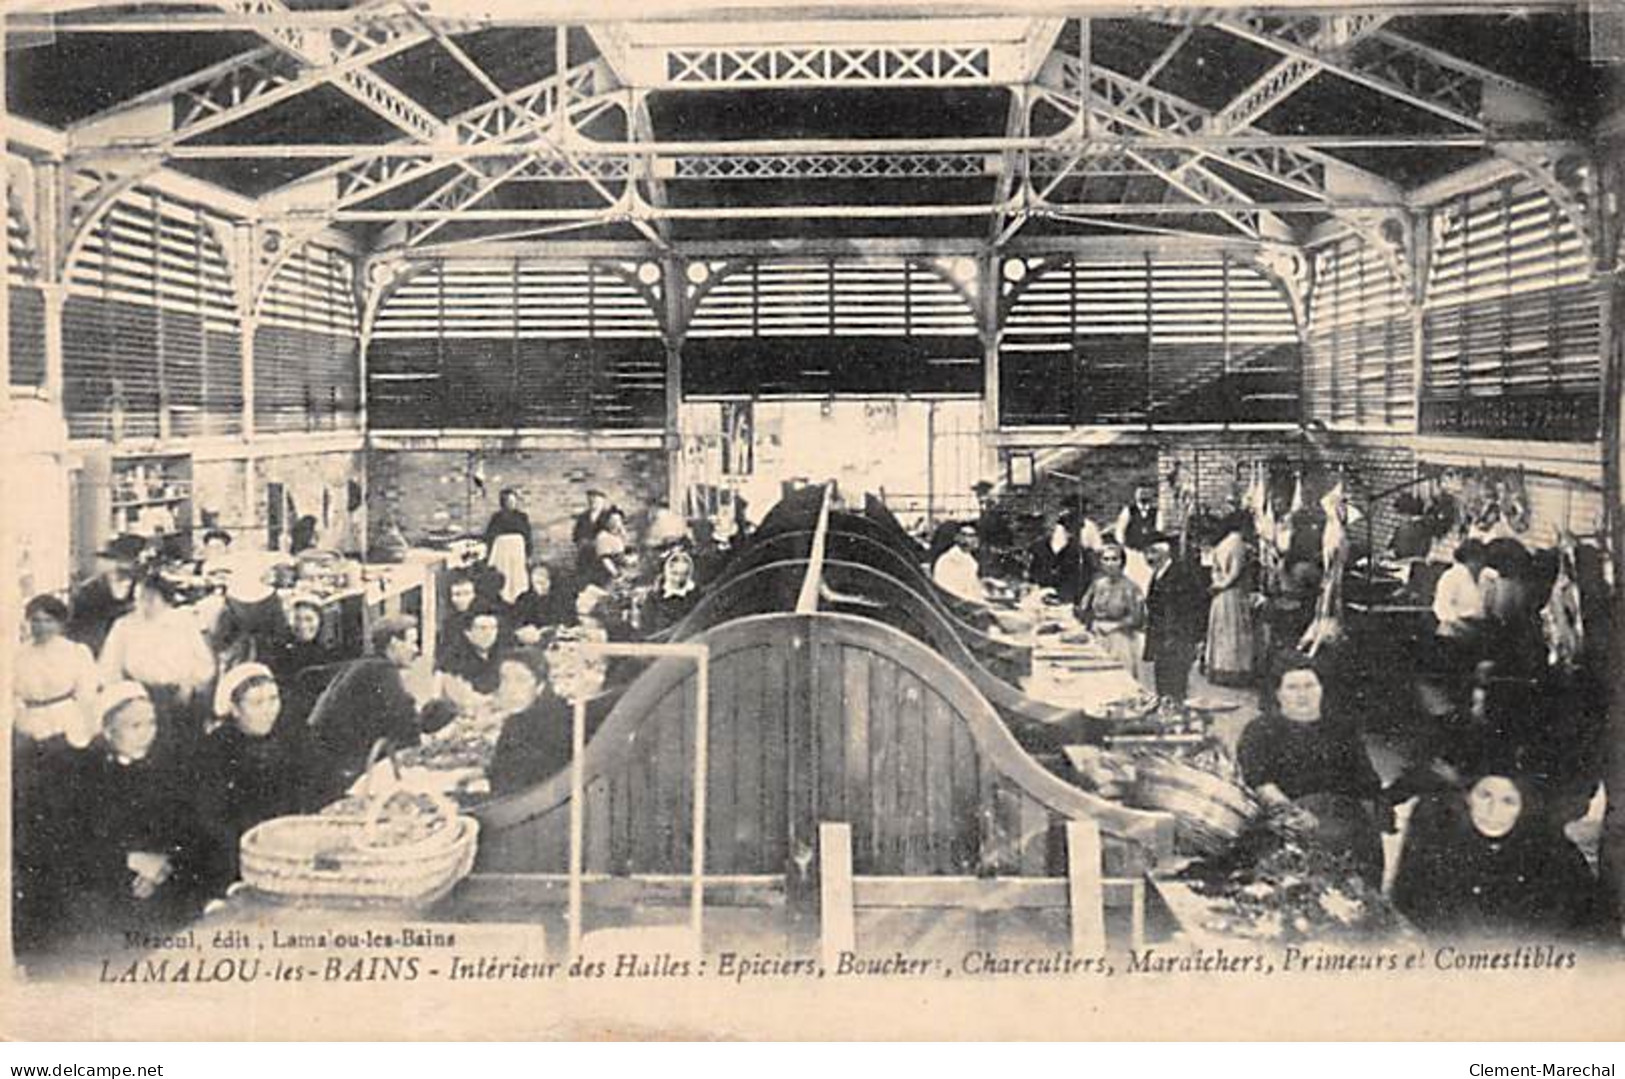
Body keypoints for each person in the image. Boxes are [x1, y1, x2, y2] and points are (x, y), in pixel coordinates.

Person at [60, 683, 204, 942]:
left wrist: (162, 866)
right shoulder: (86, 778)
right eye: (135, 726)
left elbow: (187, 828)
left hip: (165, 877)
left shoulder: (166, 769)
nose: (146, 734)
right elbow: (77, 847)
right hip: (109, 883)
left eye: (151, 724)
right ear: (108, 731)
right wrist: (132, 861)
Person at [1391, 772, 1609, 940]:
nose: (1493, 811)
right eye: (1485, 796)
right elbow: (1412, 902)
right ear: (1467, 797)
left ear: (1525, 806)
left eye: (1508, 801)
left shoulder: (1557, 859)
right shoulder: (1438, 851)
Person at [1237, 655, 1384, 884]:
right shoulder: (1261, 730)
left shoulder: (1342, 728)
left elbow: (1366, 782)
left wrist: (1370, 817)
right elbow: (1260, 782)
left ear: (1321, 689)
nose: (1302, 694)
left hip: (1342, 819)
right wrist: (1293, 814)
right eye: (1292, 687)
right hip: (1287, 818)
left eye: (1309, 685)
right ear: (1278, 694)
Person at [304, 616, 458, 805]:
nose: (416, 650)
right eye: (412, 642)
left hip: (328, 761)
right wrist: (439, 715)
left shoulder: (367, 664)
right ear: (394, 643)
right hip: (343, 772)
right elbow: (406, 726)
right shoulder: (382, 671)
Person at [189, 663, 306, 898]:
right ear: (234, 709)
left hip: (291, 854)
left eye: (273, 699)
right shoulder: (213, 750)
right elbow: (213, 823)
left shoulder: (292, 738)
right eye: (256, 703)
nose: (269, 710)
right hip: (238, 863)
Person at [98, 573, 217, 760]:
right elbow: (108, 668)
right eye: (140, 598)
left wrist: (191, 683)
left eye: (151, 598)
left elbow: (205, 663)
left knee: (185, 753)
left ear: (166, 599)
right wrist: (126, 698)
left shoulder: (184, 622)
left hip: (180, 697)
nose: (145, 604)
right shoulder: (125, 626)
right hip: (140, 697)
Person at [487, 650, 583, 796]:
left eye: (521, 680)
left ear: (540, 685)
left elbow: (511, 790)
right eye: (504, 679)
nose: (510, 689)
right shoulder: (529, 716)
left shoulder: (547, 726)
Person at [14, 594, 101, 753]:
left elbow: (87, 696)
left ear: (60, 624)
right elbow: (11, 694)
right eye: (36, 620)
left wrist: (89, 728)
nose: (41, 627)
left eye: (48, 621)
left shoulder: (75, 652)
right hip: (29, 725)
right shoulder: (18, 655)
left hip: (66, 723)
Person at [1142, 536, 1207, 702]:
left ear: (1166, 553)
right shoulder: (1157, 574)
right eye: (1146, 552)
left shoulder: (1182, 574)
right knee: (1162, 686)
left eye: (1153, 552)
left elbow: (1195, 608)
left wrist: (1194, 639)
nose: (1149, 557)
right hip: (1161, 640)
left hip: (1177, 640)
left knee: (1176, 687)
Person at [1075, 542, 1145, 676]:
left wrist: (1114, 626)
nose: (1110, 563)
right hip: (1097, 635)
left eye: (1114, 559)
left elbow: (1137, 618)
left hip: (1120, 638)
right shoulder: (1097, 584)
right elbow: (1085, 607)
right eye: (1106, 559)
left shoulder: (1131, 587)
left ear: (1122, 562)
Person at [1204, 510, 1257, 687]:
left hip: (1220, 595)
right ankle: (1234, 671)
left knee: (1221, 632)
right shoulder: (1238, 543)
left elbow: (1214, 571)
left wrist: (1217, 585)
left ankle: (1219, 669)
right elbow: (1235, 572)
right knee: (1234, 631)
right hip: (1233, 593)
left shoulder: (1221, 544)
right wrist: (1225, 584)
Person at [67, 534, 144, 654]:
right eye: (117, 560)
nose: (121, 565)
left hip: (132, 644)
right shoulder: (90, 589)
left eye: (129, 561)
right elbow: (79, 627)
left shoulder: (142, 586)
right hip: (98, 643)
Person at [1432, 538, 1498, 650]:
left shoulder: (1487, 578)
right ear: (1467, 559)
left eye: (1482, 558)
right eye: (1476, 558)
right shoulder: (1452, 576)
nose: (1480, 562)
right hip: (1452, 633)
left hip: (1478, 631)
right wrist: (1461, 625)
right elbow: (1441, 608)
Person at [436, 604, 506, 698]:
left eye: (493, 628)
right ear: (468, 633)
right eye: (483, 628)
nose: (489, 633)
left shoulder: (504, 659)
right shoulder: (451, 661)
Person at [483, 488, 534, 606]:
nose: (511, 503)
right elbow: (490, 536)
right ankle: (504, 600)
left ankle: (518, 599)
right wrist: (489, 553)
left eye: (513, 500)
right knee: (504, 574)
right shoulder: (496, 517)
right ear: (503, 502)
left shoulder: (522, 517)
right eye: (508, 501)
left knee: (517, 576)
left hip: (517, 552)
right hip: (503, 552)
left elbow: (527, 536)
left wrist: (529, 554)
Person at [1026, 513, 1087, 605]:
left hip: (1064, 600)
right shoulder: (1039, 547)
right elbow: (1032, 574)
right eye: (1065, 529)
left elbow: (1078, 580)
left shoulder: (1078, 551)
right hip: (1038, 596)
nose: (1068, 534)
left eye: (1071, 531)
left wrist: (1060, 595)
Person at [640, 547, 700, 637]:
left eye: (684, 574)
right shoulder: (654, 597)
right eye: (674, 573)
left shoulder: (694, 595)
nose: (678, 579)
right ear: (667, 572)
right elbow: (646, 627)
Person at [510, 562, 571, 646]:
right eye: (536, 583)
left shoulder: (561, 599)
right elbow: (517, 622)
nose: (540, 587)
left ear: (550, 581)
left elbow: (567, 621)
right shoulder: (524, 599)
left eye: (543, 583)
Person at [932, 524, 987, 605]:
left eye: (974, 536)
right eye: (968, 536)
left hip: (972, 604)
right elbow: (948, 590)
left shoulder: (970, 560)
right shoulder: (949, 560)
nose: (974, 540)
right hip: (958, 606)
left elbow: (972, 587)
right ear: (957, 538)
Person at [1113, 483, 1161, 552]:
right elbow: (1119, 531)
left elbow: (1159, 531)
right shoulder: (1128, 511)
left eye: (1146, 492)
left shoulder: (1156, 512)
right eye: (1141, 492)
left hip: (1149, 551)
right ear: (1136, 494)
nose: (1144, 495)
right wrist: (1124, 547)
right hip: (1131, 549)